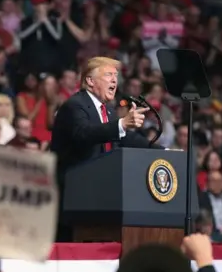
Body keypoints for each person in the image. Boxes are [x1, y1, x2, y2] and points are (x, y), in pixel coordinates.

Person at [50, 56, 162, 241]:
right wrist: (122, 124)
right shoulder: (74, 106)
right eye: (108, 75)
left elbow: (126, 138)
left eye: (116, 76)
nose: (114, 80)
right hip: (73, 202)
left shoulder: (107, 111)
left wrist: (163, 152)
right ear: (90, 81)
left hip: (100, 200)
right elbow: (84, 133)